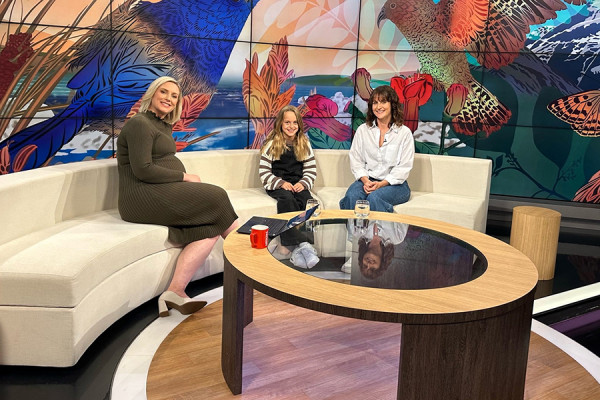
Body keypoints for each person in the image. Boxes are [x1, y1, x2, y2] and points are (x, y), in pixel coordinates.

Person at [116, 76, 238, 317]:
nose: (169, 99)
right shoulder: (140, 123)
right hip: (140, 196)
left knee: (211, 225)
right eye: (164, 92)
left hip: (156, 191)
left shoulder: (161, 125)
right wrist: (184, 177)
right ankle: (251, 264)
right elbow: (143, 170)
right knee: (217, 196)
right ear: (151, 95)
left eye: (174, 96)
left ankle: (174, 292)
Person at [339, 85, 414, 213]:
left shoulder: (404, 133)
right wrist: (365, 180)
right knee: (352, 196)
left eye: (383, 102)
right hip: (368, 180)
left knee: (375, 198)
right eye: (375, 103)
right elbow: (356, 160)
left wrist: (381, 184)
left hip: (395, 185)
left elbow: (403, 168)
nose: (378, 107)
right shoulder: (363, 130)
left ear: (392, 105)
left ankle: (381, 233)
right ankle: (354, 233)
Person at [259, 105, 317, 247]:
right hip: (278, 184)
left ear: (299, 124)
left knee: (308, 202)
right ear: (280, 124)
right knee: (288, 200)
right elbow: (264, 171)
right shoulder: (272, 144)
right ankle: (289, 245)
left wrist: (303, 183)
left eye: (294, 122)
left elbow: (311, 170)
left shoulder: (304, 144)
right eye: (287, 122)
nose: (291, 126)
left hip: (297, 183)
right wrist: (280, 183)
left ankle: (307, 244)